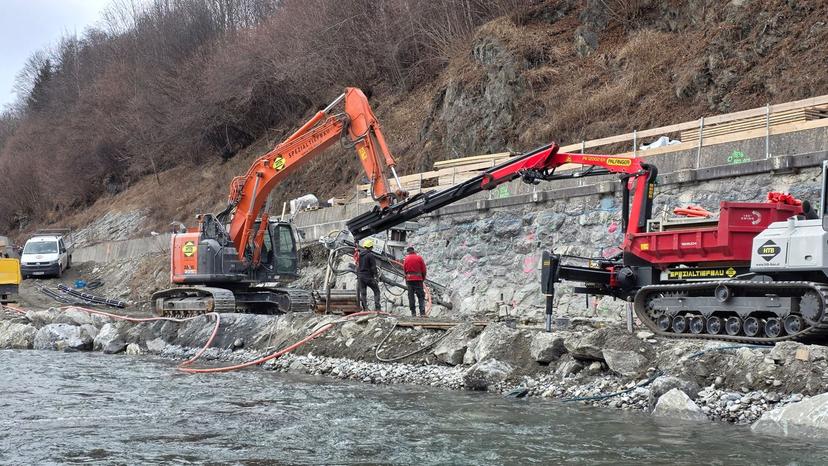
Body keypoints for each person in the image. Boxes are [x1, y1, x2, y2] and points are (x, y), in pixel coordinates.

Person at [356, 238, 381, 311]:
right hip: (368, 277)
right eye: (372, 247)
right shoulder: (370, 255)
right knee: (376, 291)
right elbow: (373, 267)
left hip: (361, 277)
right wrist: (376, 276)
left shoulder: (360, 255)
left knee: (363, 293)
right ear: (370, 247)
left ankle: (365, 308)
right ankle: (377, 308)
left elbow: (358, 265)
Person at [403, 246, 427, 317]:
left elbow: (404, 270)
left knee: (411, 296)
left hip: (409, 280)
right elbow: (424, 269)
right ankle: (422, 312)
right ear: (414, 251)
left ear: (408, 252)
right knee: (421, 296)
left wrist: (406, 278)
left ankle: (413, 313)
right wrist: (423, 278)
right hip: (418, 279)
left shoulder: (406, 259)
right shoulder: (419, 258)